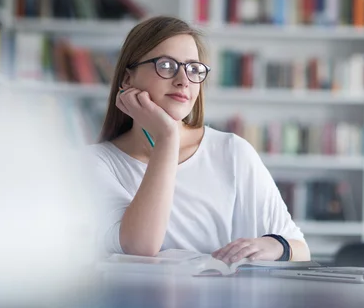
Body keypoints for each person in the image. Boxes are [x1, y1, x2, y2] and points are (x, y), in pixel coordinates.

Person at [88, 16, 310, 263]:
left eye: (193, 68)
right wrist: (166, 137)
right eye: (166, 65)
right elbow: (140, 246)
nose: (183, 80)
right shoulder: (93, 162)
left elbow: (300, 250)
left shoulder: (232, 152)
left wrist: (276, 245)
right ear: (128, 79)